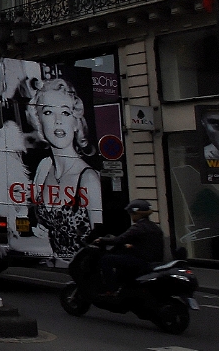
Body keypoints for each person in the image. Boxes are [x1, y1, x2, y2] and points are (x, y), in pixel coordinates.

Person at [26, 77, 102, 260]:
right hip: (52, 268)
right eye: (49, 112)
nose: (58, 121)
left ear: (76, 123)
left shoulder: (88, 179)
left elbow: (100, 240)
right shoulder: (44, 168)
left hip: (82, 269)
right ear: (39, 122)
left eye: (66, 113)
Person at [98, 200, 165, 293]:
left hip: (142, 261)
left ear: (136, 214)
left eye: (131, 214)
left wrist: (101, 240)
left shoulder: (138, 227)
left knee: (107, 259)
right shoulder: (155, 227)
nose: (131, 216)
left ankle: (111, 290)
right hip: (153, 261)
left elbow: (119, 239)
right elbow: (148, 244)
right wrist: (132, 246)